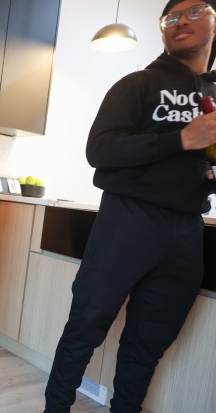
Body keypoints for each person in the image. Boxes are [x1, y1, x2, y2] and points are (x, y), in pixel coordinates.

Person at [44, 1, 216, 412]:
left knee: (150, 340)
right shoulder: (138, 83)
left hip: (187, 231)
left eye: (195, 11)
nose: (181, 22)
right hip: (128, 220)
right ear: (162, 32)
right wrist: (180, 139)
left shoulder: (212, 97)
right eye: (171, 17)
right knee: (85, 326)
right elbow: (99, 150)